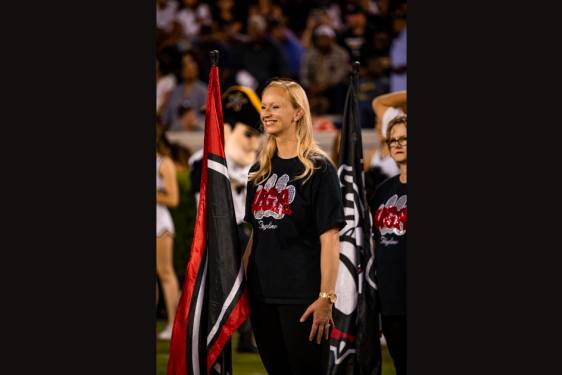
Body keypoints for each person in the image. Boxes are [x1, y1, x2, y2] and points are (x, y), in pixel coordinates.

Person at [243, 78, 346, 375]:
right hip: (261, 296)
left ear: (298, 113)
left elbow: (330, 238)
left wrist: (326, 298)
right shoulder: (258, 170)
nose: (267, 113)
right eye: (264, 107)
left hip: (303, 297)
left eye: (276, 106)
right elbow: (256, 236)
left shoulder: (319, 169)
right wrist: (242, 289)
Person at [188, 86, 264, 353]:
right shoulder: (203, 162)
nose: (254, 143)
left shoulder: (250, 166)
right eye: (248, 134)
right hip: (215, 233)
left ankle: (245, 337)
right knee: (215, 292)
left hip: (241, 232)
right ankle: (212, 342)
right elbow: (204, 207)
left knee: (249, 286)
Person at [369, 114, 407, 375]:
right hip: (391, 299)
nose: (397, 144)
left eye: (404, 138)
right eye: (392, 140)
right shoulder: (383, 190)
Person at [156, 123, 180, 340]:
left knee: (165, 273)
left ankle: (174, 324)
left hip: (160, 224)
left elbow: (173, 198)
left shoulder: (164, 162)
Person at [161, 50, 208, 129]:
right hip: (176, 127)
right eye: (187, 70)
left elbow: (207, 112)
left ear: (197, 72)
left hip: (197, 127)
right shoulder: (176, 90)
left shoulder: (203, 89)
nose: (189, 72)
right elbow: (168, 110)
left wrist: (191, 121)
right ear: (182, 72)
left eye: (192, 70)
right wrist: (164, 122)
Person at [389, 9, 406, 92]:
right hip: (399, 85)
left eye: (398, 21)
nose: (395, 24)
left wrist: (403, 67)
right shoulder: (399, 36)